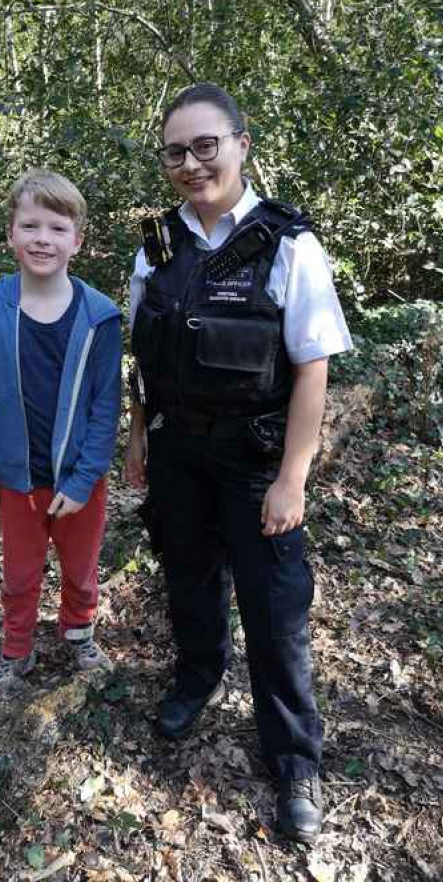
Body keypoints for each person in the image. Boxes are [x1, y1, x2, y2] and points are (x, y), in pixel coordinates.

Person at [125, 84, 352, 843]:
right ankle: (197, 677)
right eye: (175, 151)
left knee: (274, 607)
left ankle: (294, 757)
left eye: (204, 145)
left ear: (241, 144)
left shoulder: (289, 243)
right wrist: (138, 435)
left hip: (256, 459)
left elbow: (312, 367)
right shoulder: (157, 244)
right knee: (187, 578)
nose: (190, 163)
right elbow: (143, 353)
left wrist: (294, 476)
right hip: (178, 452)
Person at [0, 168, 122, 702]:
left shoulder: (99, 316)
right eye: (30, 225)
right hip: (15, 478)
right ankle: (16, 651)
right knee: (20, 574)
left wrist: (85, 477)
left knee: (80, 569)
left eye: (56, 227)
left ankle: (79, 635)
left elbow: (105, 405)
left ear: (77, 239)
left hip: (78, 480)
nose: (42, 239)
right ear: (10, 234)